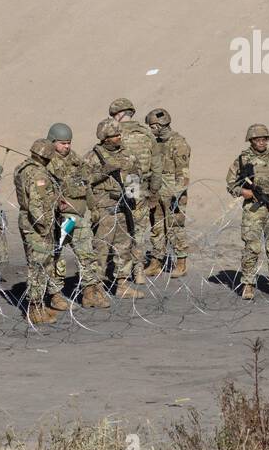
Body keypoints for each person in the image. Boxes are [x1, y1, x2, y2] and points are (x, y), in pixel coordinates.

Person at [227, 124, 269, 300]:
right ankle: (248, 284)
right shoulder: (242, 159)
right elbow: (231, 183)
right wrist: (244, 192)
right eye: (258, 139)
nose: (262, 142)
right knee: (252, 247)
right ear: (251, 140)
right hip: (253, 209)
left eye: (264, 139)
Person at [46, 123, 107, 309]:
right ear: (53, 142)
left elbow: (86, 185)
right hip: (63, 219)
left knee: (86, 254)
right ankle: (55, 294)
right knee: (58, 257)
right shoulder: (47, 163)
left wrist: (93, 206)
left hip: (78, 217)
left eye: (69, 143)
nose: (67, 146)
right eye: (63, 143)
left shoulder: (75, 160)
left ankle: (89, 292)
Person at [82, 119, 145, 299]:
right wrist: (102, 173)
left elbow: (136, 173)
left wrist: (133, 196)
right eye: (114, 136)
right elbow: (83, 180)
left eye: (119, 135)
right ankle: (97, 286)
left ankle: (122, 284)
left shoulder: (127, 154)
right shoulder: (93, 156)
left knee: (123, 247)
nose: (118, 138)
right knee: (101, 249)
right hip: (104, 208)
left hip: (124, 206)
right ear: (105, 138)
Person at [107, 98, 162, 274]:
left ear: (119, 114)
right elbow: (156, 166)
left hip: (121, 186)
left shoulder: (114, 134)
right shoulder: (147, 133)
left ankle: (120, 270)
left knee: (121, 230)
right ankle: (138, 272)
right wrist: (154, 191)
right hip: (142, 185)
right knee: (139, 230)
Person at [14, 138, 60, 325]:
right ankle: (35, 309)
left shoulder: (22, 168)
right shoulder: (38, 173)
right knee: (39, 267)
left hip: (26, 221)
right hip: (37, 225)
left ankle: (39, 305)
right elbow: (36, 204)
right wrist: (45, 226)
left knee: (40, 265)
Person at [145, 108, 191, 279]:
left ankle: (181, 262)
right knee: (157, 226)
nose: (151, 129)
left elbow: (183, 174)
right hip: (157, 189)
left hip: (173, 190)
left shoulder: (178, 143)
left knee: (174, 227)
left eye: (152, 126)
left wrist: (176, 194)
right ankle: (156, 262)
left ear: (159, 125)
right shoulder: (155, 142)